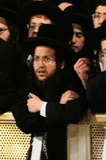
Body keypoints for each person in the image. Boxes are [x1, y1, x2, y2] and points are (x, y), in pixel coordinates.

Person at [10, 24, 87, 160]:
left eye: (47, 59)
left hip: (66, 153)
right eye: (37, 58)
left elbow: (74, 113)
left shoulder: (69, 80)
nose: (40, 65)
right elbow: (25, 123)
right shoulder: (26, 82)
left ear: (61, 64)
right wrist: (57, 106)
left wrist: (41, 106)